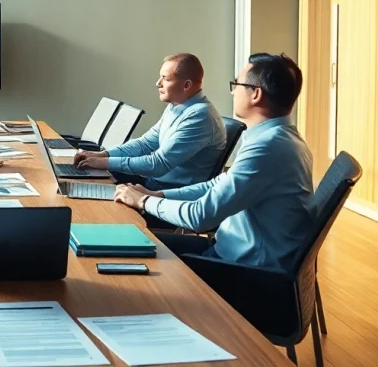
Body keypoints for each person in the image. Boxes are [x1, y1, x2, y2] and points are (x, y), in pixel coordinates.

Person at [114, 53, 315, 271]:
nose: (233, 91)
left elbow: (200, 217)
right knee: (129, 242)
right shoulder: (279, 138)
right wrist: (157, 195)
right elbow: (217, 184)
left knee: (126, 251)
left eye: (236, 84)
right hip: (229, 251)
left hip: (244, 270)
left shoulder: (268, 147)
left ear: (255, 94)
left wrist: (143, 202)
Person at [75, 53, 226, 191]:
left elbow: (158, 164)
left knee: (89, 189)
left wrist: (104, 163)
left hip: (167, 194)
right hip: (152, 183)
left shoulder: (200, 117)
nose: (158, 83)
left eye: (166, 79)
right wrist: (103, 155)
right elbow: (145, 144)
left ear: (186, 85)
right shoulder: (176, 105)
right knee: (80, 181)